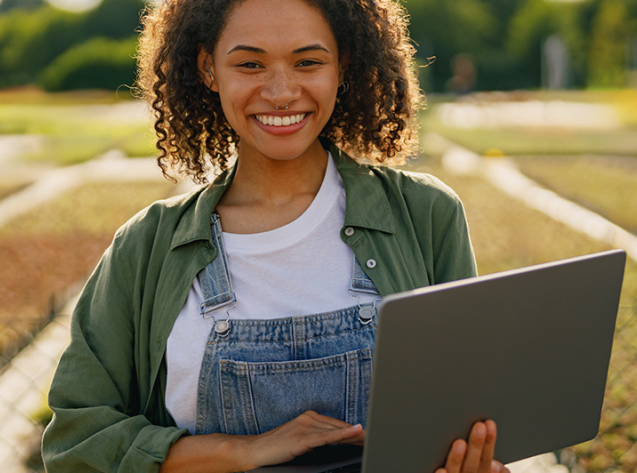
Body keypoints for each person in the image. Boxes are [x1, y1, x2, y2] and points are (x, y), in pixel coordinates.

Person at [41, 0, 511, 472]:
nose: (283, 92)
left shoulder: (426, 217)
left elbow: (464, 415)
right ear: (208, 69)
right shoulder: (144, 249)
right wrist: (238, 452)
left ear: (343, 64)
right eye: (250, 64)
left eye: (308, 62)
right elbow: (76, 440)